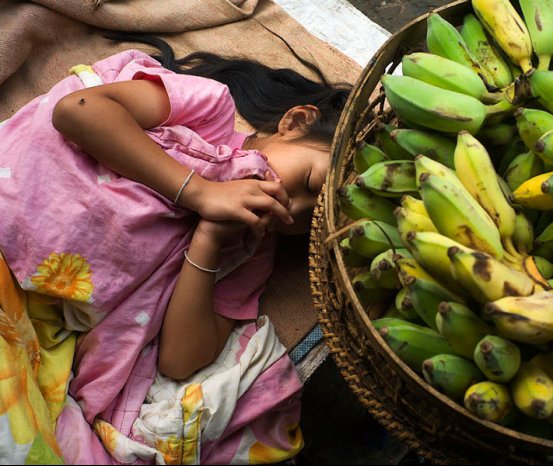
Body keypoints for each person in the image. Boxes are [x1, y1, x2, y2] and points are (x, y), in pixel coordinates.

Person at [0, 33, 351, 463]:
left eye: (307, 222)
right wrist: (199, 191)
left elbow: (181, 361)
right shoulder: (207, 109)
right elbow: (78, 111)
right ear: (294, 122)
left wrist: (208, 239)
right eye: (310, 183)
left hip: (35, 324)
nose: (289, 208)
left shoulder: (250, 252)